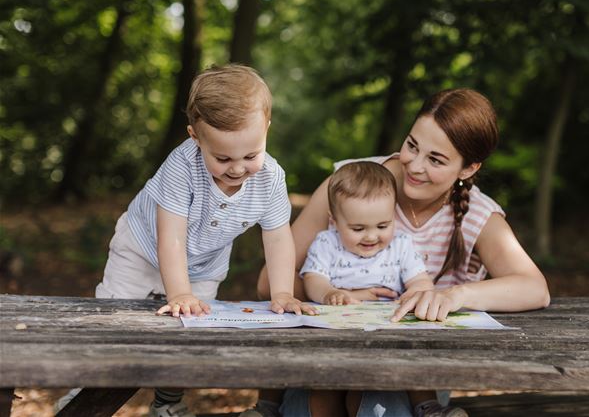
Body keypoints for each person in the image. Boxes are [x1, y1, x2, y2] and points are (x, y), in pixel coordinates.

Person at [243, 88, 550, 417]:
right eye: (412, 146)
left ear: (468, 168)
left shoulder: (478, 216)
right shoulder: (350, 187)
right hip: (324, 357)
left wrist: (454, 296)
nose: (415, 166)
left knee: (383, 407)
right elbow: (269, 281)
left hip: (411, 370)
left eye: (435, 159)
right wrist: (340, 294)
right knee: (312, 405)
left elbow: (535, 289)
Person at [56, 65, 314, 417]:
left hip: (205, 263)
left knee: (192, 327)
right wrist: (178, 293)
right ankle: (79, 394)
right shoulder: (181, 166)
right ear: (196, 136)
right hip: (142, 249)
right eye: (223, 158)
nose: (237, 168)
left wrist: (282, 292)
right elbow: (170, 237)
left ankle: (167, 401)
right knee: (112, 320)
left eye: (251, 155)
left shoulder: (270, 179)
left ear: (266, 130)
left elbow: (279, 237)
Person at [300, 161, 463, 417]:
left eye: (382, 226)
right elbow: (312, 278)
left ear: (393, 217)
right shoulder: (326, 243)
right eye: (357, 228)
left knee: (412, 356)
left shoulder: (400, 246)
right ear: (335, 222)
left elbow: (420, 281)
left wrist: (416, 292)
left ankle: (429, 408)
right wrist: (330, 293)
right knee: (325, 388)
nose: (371, 236)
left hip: (388, 334)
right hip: (337, 335)